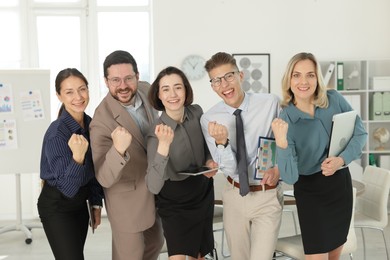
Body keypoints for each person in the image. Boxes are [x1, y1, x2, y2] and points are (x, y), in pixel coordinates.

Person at [271, 52, 367, 260]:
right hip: (311, 193)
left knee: (334, 255)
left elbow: (360, 132)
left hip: (339, 185)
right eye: (296, 75)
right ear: (289, 79)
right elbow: (289, 177)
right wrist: (282, 143)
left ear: (317, 78)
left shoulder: (334, 99)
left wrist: (341, 160)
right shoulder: (286, 117)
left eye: (310, 75)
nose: (303, 81)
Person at [200, 52, 283, 260]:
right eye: (217, 80)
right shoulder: (209, 119)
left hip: (267, 194)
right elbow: (231, 170)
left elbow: (287, 144)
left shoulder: (270, 103)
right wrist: (222, 143)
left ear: (241, 75)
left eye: (229, 76)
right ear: (212, 86)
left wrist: (279, 168)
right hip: (234, 196)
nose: (224, 84)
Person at [89, 50, 164, 260]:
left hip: (154, 192)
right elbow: (103, 176)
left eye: (128, 78)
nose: (122, 85)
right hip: (127, 201)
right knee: (129, 255)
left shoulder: (147, 91)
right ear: (106, 81)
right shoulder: (101, 120)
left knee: (156, 244)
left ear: (137, 76)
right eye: (115, 80)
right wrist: (118, 150)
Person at [146, 66, 218, 260]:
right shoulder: (155, 132)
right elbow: (153, 185)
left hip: (202, 193)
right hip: (174, 202)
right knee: (177, 256)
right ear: (159, 95)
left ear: (186, 90)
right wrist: (163, 146)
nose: (173, 94)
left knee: (200, 255)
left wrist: (210, 162)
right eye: (166, 89)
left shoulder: (197, 113)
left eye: (178, 87)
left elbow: (207, 151)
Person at [37, 68, 104, 260]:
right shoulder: (57, 133)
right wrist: (78, 157)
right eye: (69, 92)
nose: (78, 97)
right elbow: (68, 188)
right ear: (59, 96)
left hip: (79, 206)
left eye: (82, 89)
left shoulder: (91, 125)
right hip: (57, 206)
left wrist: (96, 203)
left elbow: (94, 169)